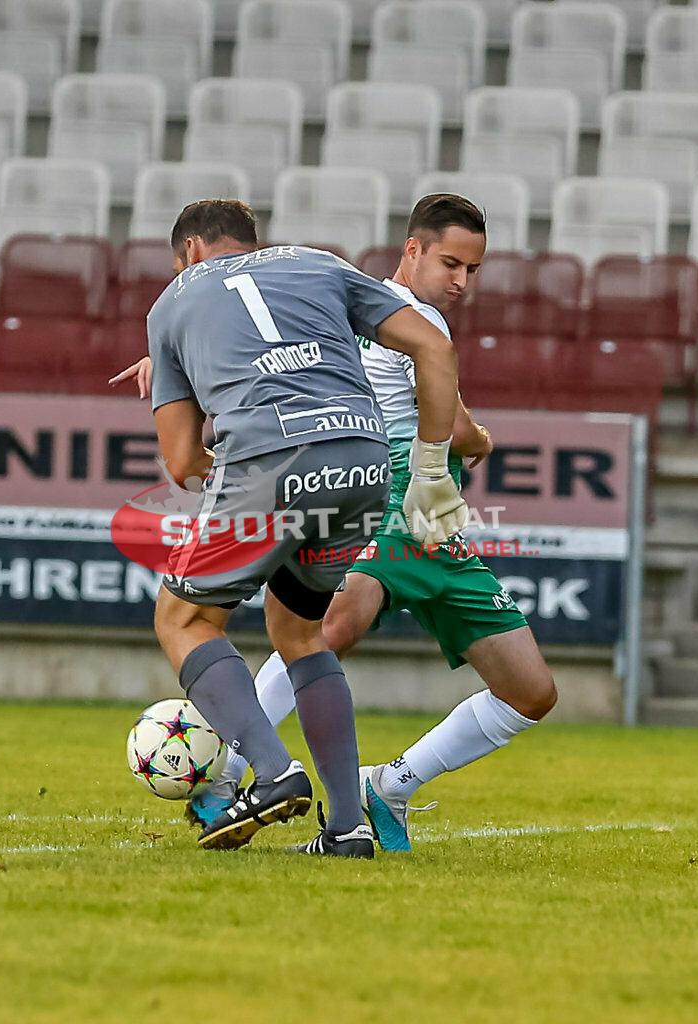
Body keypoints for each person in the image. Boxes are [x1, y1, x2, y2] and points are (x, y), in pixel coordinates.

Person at [182, 194, 558, 851]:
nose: (461, 282)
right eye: (451, 263)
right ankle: (230, 780)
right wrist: (481, 440)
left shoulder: (357, 309)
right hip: (389, 504)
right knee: (323, 632)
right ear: (411, 249)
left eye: (473, 270)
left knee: (530, 691)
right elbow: (464, 430)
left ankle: (389, 784)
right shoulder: (399, 318)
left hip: (436, 534)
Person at [130, 198, 475, 859]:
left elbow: (180, 461)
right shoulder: (319, 263)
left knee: (184, 619)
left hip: (271, 457)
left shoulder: (173, 301)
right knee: (299, 632)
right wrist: (431, 469)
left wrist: (234, 475)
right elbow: (432, 346)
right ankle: (347, 829)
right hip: (365, 460)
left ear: (192, 251)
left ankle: (271, 772)